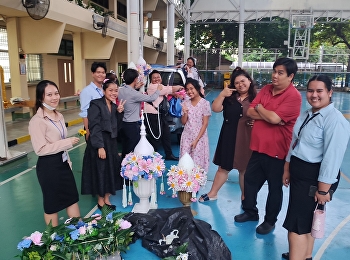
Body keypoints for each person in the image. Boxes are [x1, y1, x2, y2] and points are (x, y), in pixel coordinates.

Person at [281, 75, 350, 260]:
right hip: (300, 175)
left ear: (330, 92)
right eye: (310, 90)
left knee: (296, 227)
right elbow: (296, 143)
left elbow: (332, 159)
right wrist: (287, 167)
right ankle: (306, 255)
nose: (314, 95)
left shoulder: (335, 121)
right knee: (308, 221)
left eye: (319, 91)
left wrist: (323, 189)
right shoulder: (308, 114)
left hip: (314, 179)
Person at [234, 57, 302, 235]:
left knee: (274, 188)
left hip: (278, 152)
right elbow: (249, 111)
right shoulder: (265, 89)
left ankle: (270, 221)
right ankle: (250, 211)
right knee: (249, 181)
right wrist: (268, 115)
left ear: (290, 76)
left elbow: (274, 118)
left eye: (280, 73)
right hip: (257, 148)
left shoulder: (293, 97)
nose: (275, 76)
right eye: (274, 71)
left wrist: (262, 111)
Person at [199, 67, 257, 202]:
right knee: (223, 167)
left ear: (249, 81)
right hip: (229, 136)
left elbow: (263, 115)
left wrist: (257, 122)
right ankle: (213, 193)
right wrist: (222, 94)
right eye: (237, 83)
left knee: (244, 169)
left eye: (243, 81)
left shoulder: (257, 98)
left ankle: (245, 196)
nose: (240, 85)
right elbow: (216, 109)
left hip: (247, 137)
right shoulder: (230, 96)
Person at [28, 80, 80, 226]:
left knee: (72, 198)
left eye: (56, 93)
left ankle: (81, 233)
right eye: (49, 94)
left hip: (62, 163)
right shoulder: (37, 121)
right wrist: (67, 143)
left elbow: (60, 140)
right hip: (48, 166)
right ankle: (54, 240)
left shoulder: (59, 116)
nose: (54, 97)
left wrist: (68, 160)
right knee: (52, 204)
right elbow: (40, 149)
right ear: (41, 98)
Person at [81, 80, 126, 211]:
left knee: (110, 170)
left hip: (111, 143)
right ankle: (100, 201)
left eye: (116, 90)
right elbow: (94, 126)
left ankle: (107, 198)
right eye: (110, 90)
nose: (113, 93)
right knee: (100, 170)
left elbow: (116, 127)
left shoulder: (113, 106)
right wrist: (99, 146)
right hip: (99, 142)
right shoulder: (96, 104)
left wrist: (119, 113)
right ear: (104, 91)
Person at [118, 68, 162, 158]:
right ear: (135, 79)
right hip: (132, 125)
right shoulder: (134, 94)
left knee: (125, 148)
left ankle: (121, 168)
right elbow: (151, 98)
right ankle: (128, 169)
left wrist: (136, 87)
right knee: (132, 150)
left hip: (122, 123)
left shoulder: (120, 90)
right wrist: (158, 89)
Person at [144, 70, 183, 160]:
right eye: (154, 77)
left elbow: (167, 91)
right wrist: (179, 87)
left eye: (158, 77)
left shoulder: (160, 86)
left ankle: (169, 154)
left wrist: (174, 94)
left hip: (160, 114)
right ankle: (150, 157)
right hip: (152, 114)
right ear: (151, 80)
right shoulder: (153, 87)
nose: (157, 79)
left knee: (166, 135)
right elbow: (170, 89)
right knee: (155, 136)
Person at [180, 78, 211, 172]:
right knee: (185, 162)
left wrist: (196, 140)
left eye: (191, 88)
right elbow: (184, 122)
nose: (189, 91)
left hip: (199, 137)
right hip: (187, 136)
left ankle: (195, 184)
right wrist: (185, 112)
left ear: (197, 88)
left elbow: (205, 124)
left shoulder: (205, 104)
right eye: (187, 90)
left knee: (197, 163)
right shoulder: (186, 103)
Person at [79, 62, 107, 140]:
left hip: (105, 127)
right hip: (93, 128)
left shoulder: (105, 89)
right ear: (93, 74)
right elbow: (85, 113)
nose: (101, 75)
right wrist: (88, 131)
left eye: (103, 72)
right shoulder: (87, 91)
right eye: (98, 72)